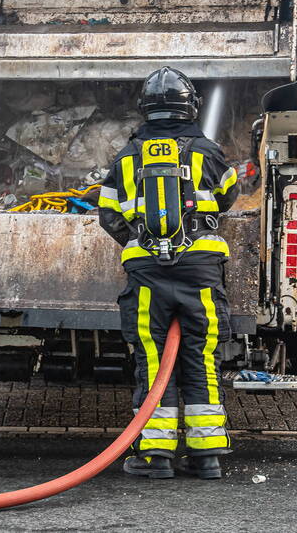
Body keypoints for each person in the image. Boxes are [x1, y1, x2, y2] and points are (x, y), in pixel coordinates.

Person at [98, 67, 239, 480]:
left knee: (153, 361)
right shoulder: (207, 151)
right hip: (201, 269)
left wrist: (140, 239)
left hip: (146, 273)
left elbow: (108, 216)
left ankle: (155, 457)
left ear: (144, 109)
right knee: (200, 358)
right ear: (190, 106)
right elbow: (228, 196)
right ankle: (206, 456)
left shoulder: (127, 158)